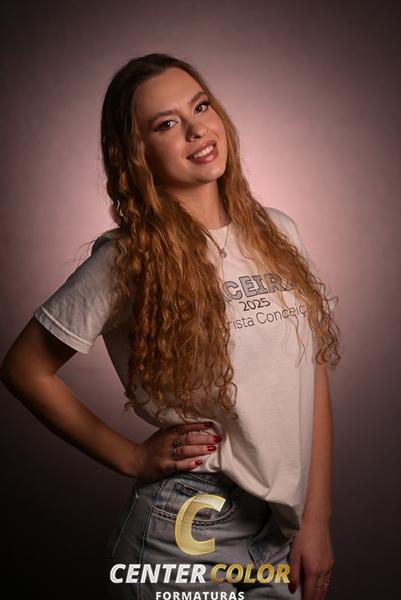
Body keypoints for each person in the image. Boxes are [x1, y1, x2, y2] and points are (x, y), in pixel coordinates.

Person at [0, 53, 341, 599]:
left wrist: (315, 520)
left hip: (280, 529)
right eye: (166, 124)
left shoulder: (278, 232)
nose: (196, 130)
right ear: (137, 155)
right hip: (184, 529)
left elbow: (312, 369)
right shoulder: (130, 257)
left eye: (200, 107)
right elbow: (24, 368)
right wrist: (130, 456)